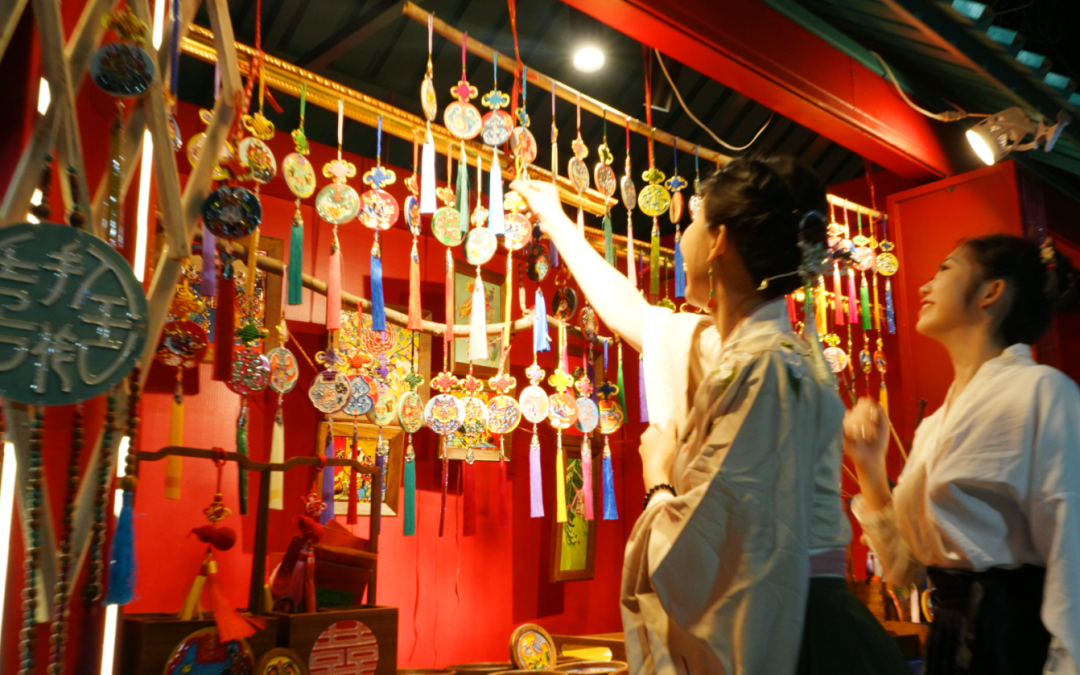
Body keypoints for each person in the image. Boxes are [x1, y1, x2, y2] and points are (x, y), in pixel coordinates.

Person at [512, 156, 909, 675]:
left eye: (695, 221)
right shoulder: (750, 352)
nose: (684, 238)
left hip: (794, 634)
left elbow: (711, 547)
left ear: (719, 241)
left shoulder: (763, 366)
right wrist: (556, 219)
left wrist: (658, 476)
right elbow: (632, 313)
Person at [845, 234, 1080, 674]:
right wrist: (869, 464)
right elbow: (903, 570)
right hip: (951, 638)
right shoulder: (936, 423)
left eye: (945, 269)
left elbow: (1073, 551)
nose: (924, 286)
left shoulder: (1041, 392)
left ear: (992, 292)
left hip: (1017, 642)